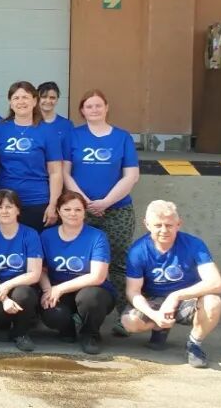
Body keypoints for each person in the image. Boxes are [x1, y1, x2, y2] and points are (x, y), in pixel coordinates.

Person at [63, 89, 139, 319]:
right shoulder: (72, 136)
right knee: (82, 262)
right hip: (80, 211)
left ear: (106, 108)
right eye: (89, 106)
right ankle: (82, 313)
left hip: (117, 210)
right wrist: (84, 202)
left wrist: (106, 202)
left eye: (98, 105)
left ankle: (124, 316)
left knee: (118, 262)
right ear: (82, 110)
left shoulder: (122, 137)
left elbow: (131, 176)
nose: (94, 110)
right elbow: (65, 173)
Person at [121, 200, 221, 368]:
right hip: (154, 299)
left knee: (213, 302)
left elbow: (216, 283)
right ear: (147, 224)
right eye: (158, 225)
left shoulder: (194, 244)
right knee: (129, 322)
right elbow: (133, 291)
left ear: (178, 224)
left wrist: (175, 296)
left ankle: (194, 344)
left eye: (169, 225)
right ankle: (159, 327)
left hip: (187, 299)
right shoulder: (138, 250)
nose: (164, 230)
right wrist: (154, 315)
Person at [38, 190, 114, 354]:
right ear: (58, 211)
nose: (73, 213)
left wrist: (59, 288)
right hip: (59, 291)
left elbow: (98, 276)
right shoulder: (47, 236)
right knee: (52, 313)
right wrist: (47, 290)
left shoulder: (97, 237)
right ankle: (68, 329)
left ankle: (90, 334)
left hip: (92, 290)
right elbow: (41, 269)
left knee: (91, 298)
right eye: (67, 209)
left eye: (78, 209)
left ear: (84, 212)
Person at [0, 81, 63, 231]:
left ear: (35, 101)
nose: (21, 102)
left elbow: (55, 172)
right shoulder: (1, 129)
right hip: (5, 201)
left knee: (34, 244)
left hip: (36, 201)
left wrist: (53, 204)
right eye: (16, 98)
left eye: (25, 97)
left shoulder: (47, 131)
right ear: (10, 103)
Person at [0, 190, 43, 352]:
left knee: (24, 294)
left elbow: (34, 274)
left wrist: (7, 286)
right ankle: (3, 326)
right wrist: (4, 298)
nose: (4, 211)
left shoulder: (30, 234)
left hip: (22, 286)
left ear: (18, 210)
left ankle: (21, 333)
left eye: (9, 207)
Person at [37, 81, 73, 151]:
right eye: (44, 97)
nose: (48, 101)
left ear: (57, 100)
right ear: (37, 99)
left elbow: (68, 152)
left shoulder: (66, 125)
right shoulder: (29, 122)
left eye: (52, 98)